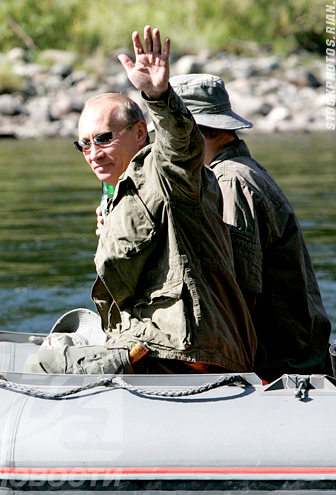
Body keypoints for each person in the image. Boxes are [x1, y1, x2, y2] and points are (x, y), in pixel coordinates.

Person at [23, 27, 256, 375]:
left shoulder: (165, 173)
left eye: (103, 138)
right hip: (146, 343)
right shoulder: (118, 192)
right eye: (83, 144)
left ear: (139, 132)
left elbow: (182, 148)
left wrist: (158, 95)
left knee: (42, 364)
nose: (93, 153)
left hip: (181, 351)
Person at [166, 73, 331, 381]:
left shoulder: (231, 181)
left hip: (281, 367)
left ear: (196, 131)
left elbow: (239, 293)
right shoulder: (244, 170)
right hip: (298, 352)